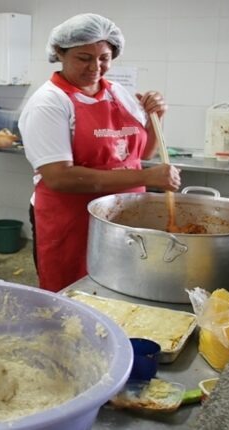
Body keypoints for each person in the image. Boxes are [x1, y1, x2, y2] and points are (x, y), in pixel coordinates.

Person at [20, 13, 181, 293]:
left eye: (104, 57)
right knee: (71, 295)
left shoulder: (118, 92)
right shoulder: (49, 103)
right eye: (84, 57)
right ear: (60, 52)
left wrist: (157, 117)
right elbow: (59, 177)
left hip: (123, 215)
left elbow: (140, 153)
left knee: (120, 292)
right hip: (71, 220)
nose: (96, 67)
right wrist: (148, 177)